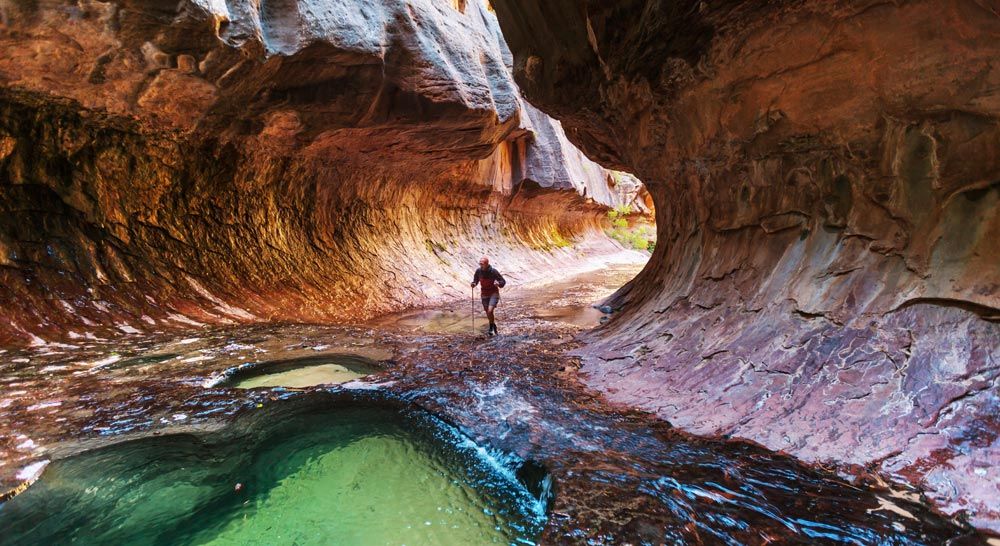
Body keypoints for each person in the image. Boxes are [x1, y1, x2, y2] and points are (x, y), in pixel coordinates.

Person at [470, 256, 506, 336]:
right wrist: (474, 284)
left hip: (494, 293)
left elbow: (503, 281)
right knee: (487, 312)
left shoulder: (493, 271)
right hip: (484, 293)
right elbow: (475, 280)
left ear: (487, 264)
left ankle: (490, 327)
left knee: (490, 311)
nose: (480, 265)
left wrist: (498, 284)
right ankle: (493, 325)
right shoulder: (478, 271)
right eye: (480, 264)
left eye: (482, 264)